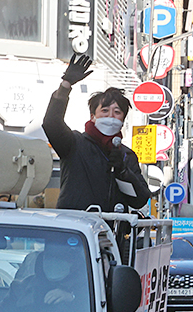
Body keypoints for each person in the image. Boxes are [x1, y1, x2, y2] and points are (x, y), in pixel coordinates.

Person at [43, 53, 151, 212]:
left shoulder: (127, 155)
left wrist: (123, 171)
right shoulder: (74, 143)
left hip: (112, 230)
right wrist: (66, 85)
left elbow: (140, 199)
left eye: (117, 112)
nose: (111, 116)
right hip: (77, 228)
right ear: (93, 116)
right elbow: (51, 123)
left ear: (123, 119)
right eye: (105, 111)